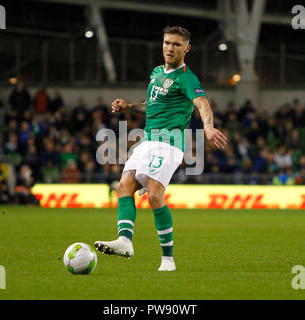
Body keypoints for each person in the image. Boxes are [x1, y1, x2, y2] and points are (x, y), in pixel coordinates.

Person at [94, 26, 227, 271]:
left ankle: (168, 259)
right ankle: (124, 241)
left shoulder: (187, 77)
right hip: (147, 140)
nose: (170, 48)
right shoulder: (157, 73)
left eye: (176, 44)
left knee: (154, 195)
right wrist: (129, 106)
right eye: (167, 42)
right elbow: (151, 106)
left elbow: (202, 103)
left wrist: (208, 127)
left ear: (187, 49)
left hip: (170, 143)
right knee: (124, 186)